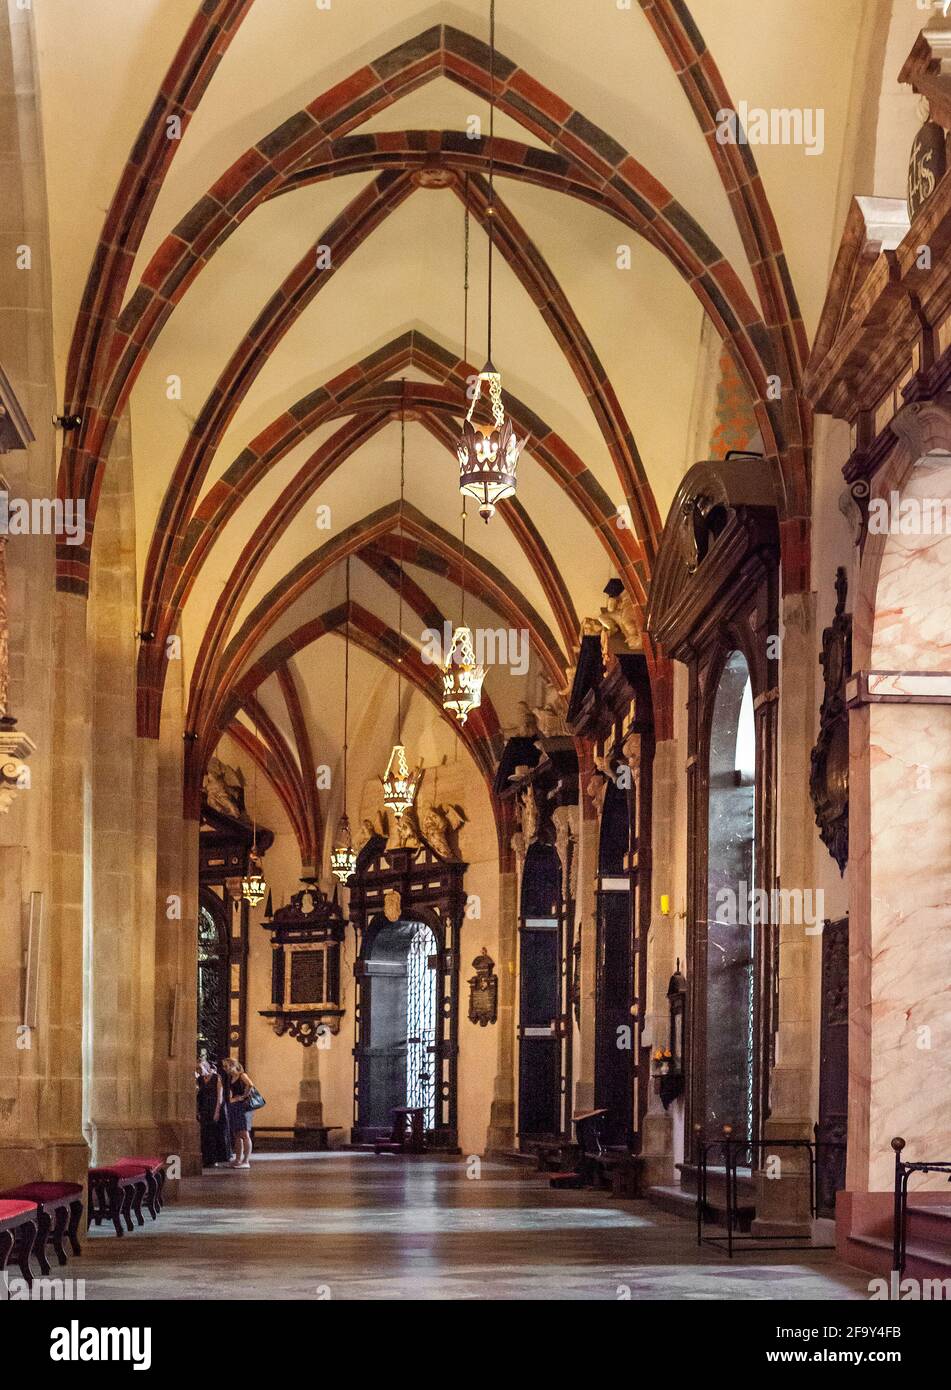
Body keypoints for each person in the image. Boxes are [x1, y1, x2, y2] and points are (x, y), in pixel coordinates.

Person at [196, 1057, 231, 1167]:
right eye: (197, 1069)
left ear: (206, 1067)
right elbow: (198, 1095)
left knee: (215, 1133)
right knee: (206, 1134)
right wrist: (197, 1110)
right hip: (204, 1107)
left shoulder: (216, 1077)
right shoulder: (200, 1079)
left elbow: (219, 1096)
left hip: (216, 1106)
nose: (199, 1070)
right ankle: (207, 1159)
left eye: (200, 1068)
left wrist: (217, 1112)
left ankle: (216, 1158)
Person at [221, 1057, 255, 1168]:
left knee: (245, 1134)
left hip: (243, 1107)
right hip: (234, 1107)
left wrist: (243, 1097)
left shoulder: (242, 1075)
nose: (224, 1068)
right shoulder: (231, 1078)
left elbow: (250, 1085)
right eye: (224, 1066)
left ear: (233, 1065)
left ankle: (246, 1161)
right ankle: (237, 1160)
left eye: (226, 1066)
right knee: (236, 1134)